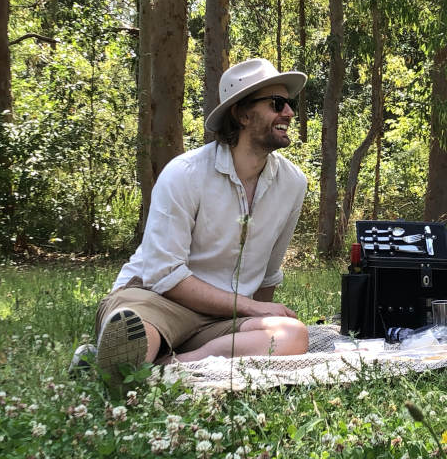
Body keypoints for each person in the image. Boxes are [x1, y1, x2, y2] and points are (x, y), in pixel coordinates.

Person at [72, 58, 310, 388]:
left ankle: (164, 366)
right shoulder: (184, 174)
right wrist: (250, 307)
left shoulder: (293, 184)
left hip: (222, 319)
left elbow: (269, 273)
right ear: (241, 114)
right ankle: (131, 356)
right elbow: (163, 274)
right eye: (277, 103)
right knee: (135, 332)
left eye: (290, 104)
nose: (289, 113)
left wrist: (258, 313)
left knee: (292, 336)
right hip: (157, 301)